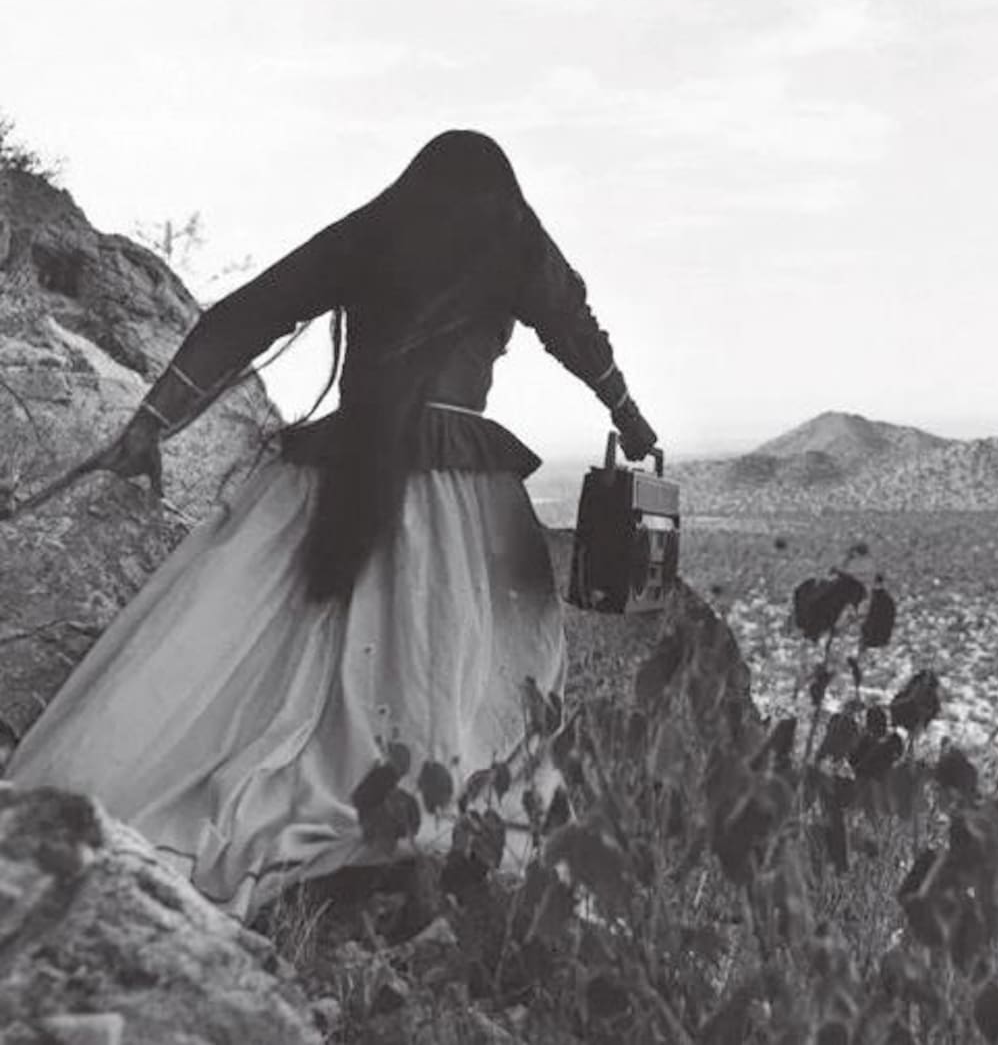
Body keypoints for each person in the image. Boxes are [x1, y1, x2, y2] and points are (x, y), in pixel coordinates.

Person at [7, 129, 657, 919]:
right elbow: (576, 331)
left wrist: (153, 420)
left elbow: (249, 315)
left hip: (334, 472)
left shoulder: (373, 228)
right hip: (461, 490)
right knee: (467, 658)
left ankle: (373, 820)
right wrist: (629, 418)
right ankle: (419, 822)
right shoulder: (514, 237)